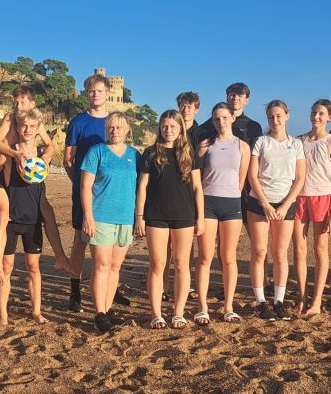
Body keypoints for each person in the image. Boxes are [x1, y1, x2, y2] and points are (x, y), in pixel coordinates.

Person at [0, 110, 66, 326]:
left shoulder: (42, 156)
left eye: (32, 126)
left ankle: (36, 311)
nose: (27, 130)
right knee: (6, 267)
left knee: (34, 268)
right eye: (23, 126)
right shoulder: (8, 153)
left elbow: (50, 149)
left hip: (32, 219)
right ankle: (3, 314)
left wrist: (47, 155)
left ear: (38, 129)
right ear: (17, 127)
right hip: (11, 219)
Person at [136, 110, 204, 329]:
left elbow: (197, 187)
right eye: (165, 126)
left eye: (173, 126)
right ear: (160, 128)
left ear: (180, 129)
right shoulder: (151, 153)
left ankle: (178, 312)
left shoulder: (189, 153)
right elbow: (143, 187)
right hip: (156, 215)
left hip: (184, 214)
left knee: (182, 264)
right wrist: (140, 216)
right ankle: (156, 314)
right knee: (157, 264)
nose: (168, 130)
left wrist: (200, 217)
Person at [80, 112, 140, 333]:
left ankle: (107, 308)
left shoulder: (134, 155)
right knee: (102, 265)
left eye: (119, 127)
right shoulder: (96, 151)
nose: (115, 131)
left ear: (127, 129)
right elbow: (85, 186)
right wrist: (88, 216)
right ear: (106, 129)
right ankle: (99, 313)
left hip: (125, 218)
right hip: (101, 217)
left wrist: (139, 217)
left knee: (115, 267)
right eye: (111, 127)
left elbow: (140, 187)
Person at [247, 100, 306, 321]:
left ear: (287, 116)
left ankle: (279, 302)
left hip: (285, 205)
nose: (275, 120)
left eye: (279, 115)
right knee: (259, 252)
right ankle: (261, 303)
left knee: (280, 253)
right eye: (271, 116)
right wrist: (264, 203)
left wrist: (285, 205)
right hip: (260, 203)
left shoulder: (296, 144)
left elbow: (300, 179)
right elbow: (253, 176)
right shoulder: (261, 142)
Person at [194, 102, 250, 325]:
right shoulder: (205, 145)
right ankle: (202, 308)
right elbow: (196, 177)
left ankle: (228, 307)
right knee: (205, 257)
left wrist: (232, 196)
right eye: (217, 118)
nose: (221, 122)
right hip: (208, 203)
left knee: (228, 257)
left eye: (225, 117)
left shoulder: (243, 147)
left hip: (232, 204)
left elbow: (241, 181)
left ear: (232, 118)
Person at [65, 74, 113, 312]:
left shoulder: (114, 122)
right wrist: (80, 184)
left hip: (109, 192)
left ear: (108, 93)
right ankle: (75, 290)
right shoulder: (78, 122)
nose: (95, 95)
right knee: (80, 240)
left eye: (99, 91)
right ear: (86, 93)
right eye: (91, 91)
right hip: (83, 192)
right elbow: (68, 159)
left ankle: (110, 288)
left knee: (109, 240)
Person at [293, 100, 331, 317]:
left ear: (330, 117)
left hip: (323, 197)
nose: (316, 117)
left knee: (320, 249)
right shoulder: (299, 140)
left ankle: (317, 300)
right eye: (313, 112)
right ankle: (302, 298)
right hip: (300, 197)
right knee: (299, 249)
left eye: (321, 113)